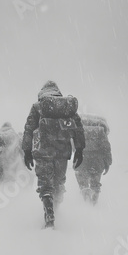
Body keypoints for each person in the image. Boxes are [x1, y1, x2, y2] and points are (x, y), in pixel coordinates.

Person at [22, 81, 85, 228]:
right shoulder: (67, 108)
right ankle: (55, 208)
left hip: (43, 151)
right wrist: (80, 150)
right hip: (63, 152)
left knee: (45, 183)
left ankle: (49, 211)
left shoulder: (38, 107)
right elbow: (78, 129)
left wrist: (26, 151)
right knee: (58, 182)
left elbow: (29, 129)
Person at [74, 114, 112, 205]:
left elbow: (74, 146)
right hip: (97, 161)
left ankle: (86, 200)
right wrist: (108, 163)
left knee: (82, 182)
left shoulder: (80, 130)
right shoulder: (101, 130)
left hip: (82, 159)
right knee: (95, 183)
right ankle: (94, 202)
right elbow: (106, 148)